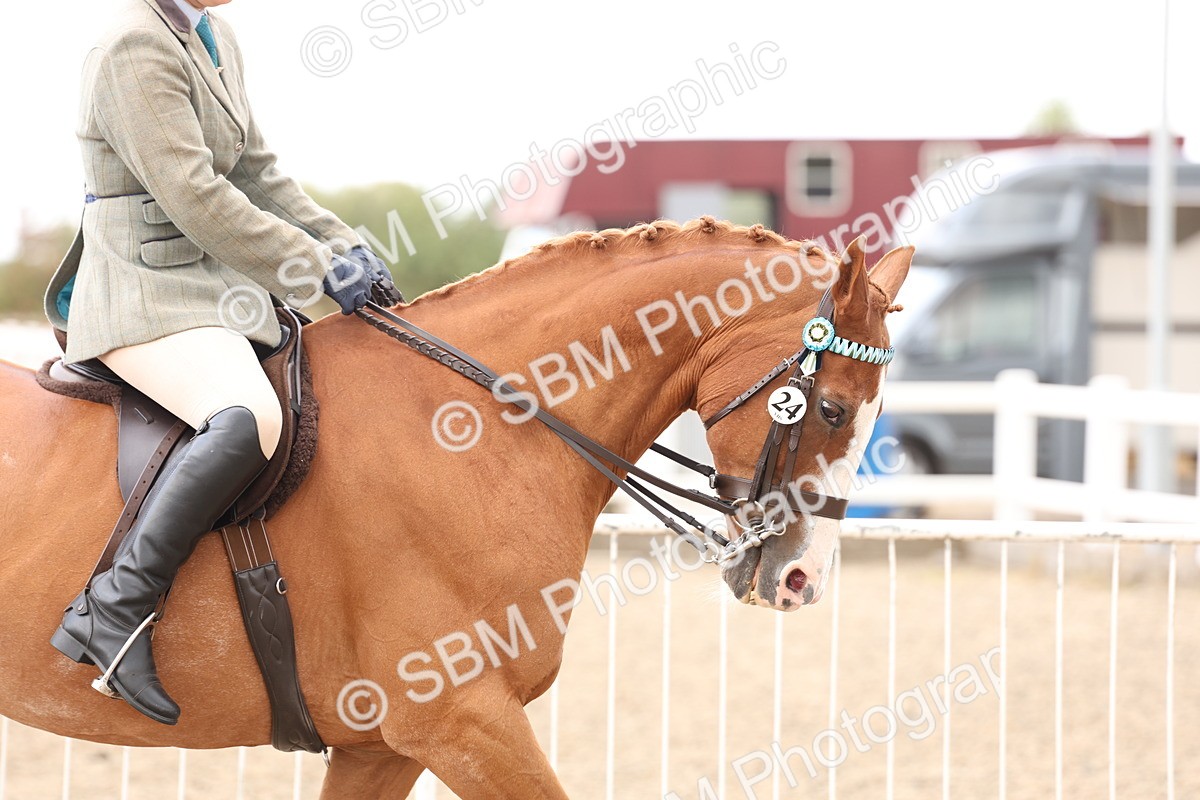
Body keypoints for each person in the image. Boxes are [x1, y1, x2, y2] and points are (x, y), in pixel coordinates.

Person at [42, 0, 397, 725]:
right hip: (140, 291)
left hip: (210, 289)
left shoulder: (214, 36)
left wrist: (343, 244)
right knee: (247, 416)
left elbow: (259, 173)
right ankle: (113, 609)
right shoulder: (132, 49)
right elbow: (196, 196)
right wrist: (314, 270)